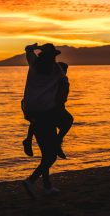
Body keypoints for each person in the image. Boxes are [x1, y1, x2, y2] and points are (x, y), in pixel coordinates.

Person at [21, 43, 71, 198]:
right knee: (51, 154)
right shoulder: (56, 69)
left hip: (29, 109)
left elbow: (28, 50)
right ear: (52, 57)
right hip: (46, 112)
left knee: (46, 152)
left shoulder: (34, 64)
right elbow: (65, 83)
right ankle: (31, 180)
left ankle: (48, 186)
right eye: (54, 55)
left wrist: (33, 47)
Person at [22, 61, 73, 159]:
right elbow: (60, 101)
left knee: (38, 118)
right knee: (68, 120)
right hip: (40, 108)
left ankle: (30, 140)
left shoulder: (53, 80)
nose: (65, 73)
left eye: (65, 71)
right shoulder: (56, 81)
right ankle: (57, 142)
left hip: (36, 107)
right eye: (63, 71)